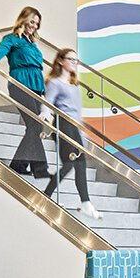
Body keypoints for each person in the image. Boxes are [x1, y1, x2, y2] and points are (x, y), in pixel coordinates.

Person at [0, 5, 49, 177]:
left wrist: (43, 93)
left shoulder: (32, 44)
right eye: (32, 21)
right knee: (34, 125)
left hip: (36, 87)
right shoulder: (12, 39)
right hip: (20, 85)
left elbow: (38, 69)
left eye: (37, 24)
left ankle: (22, 166)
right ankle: (33, 167)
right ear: (23, 19)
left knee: (36, 127)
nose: (34, 25)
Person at [43, 46, 101, 224]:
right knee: (71, 162)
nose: (74, 63)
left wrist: (82, 132)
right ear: (61, 61)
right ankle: (48, 195)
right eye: (71, 59)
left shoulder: (74, 85)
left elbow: (78, 112)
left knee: (77, 163)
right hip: (63, 123)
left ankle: (84, 203)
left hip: (75, 127)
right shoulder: (55, 82)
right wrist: (45, 116)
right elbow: (47, 103)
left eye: (76, 60)